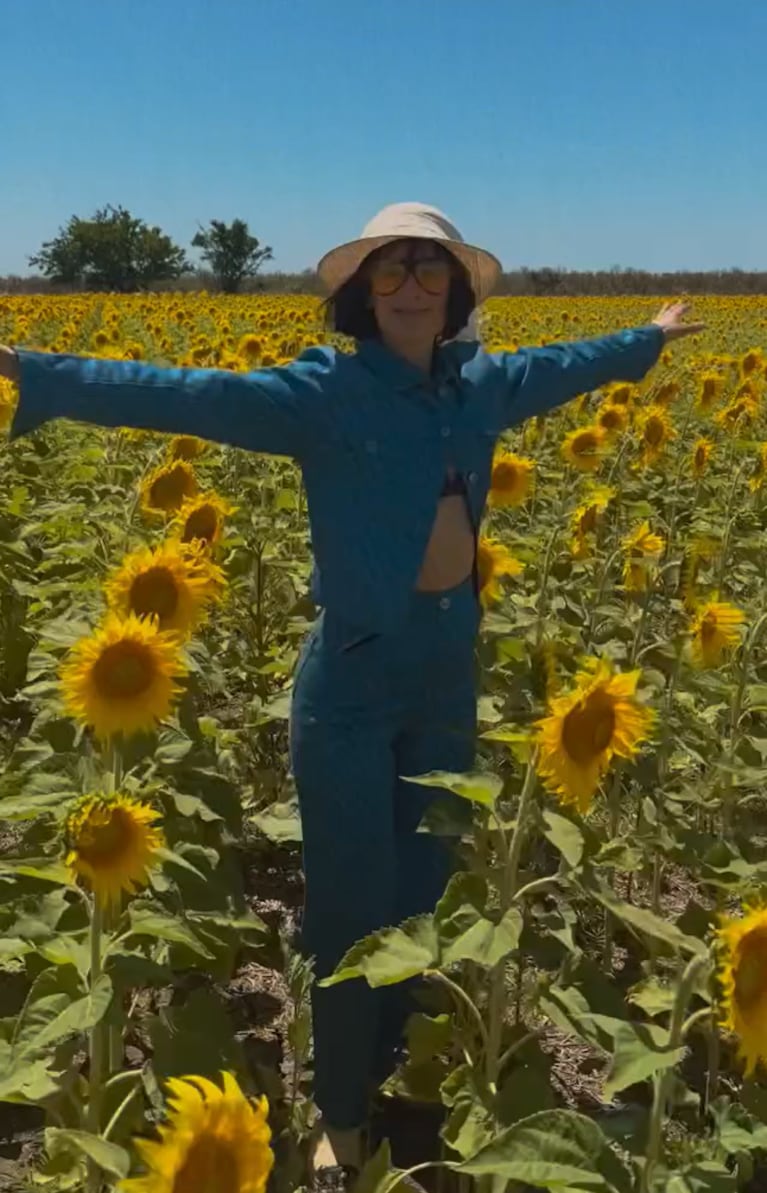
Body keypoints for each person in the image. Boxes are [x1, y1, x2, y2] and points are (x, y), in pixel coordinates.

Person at [0, 202, 703, 1190]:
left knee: (424, 895)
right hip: (353, 680)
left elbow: (563, 368)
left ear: (454, 293)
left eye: (428, 269)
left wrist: (647, 338)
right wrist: (36, 369)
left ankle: (395, 1072)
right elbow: (183, 393)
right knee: (348, 905)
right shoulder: (322, 394)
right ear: (359, 295)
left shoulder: (476, 386)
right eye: (390, 270)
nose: (411, 284)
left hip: (444, 674)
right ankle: (336, 1111)